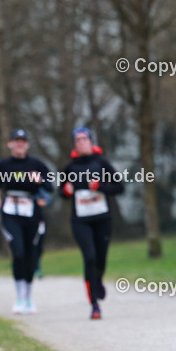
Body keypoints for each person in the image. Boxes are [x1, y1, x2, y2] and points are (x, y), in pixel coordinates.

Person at [61, 127, 125, 319]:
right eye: (78, 140)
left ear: (91, 141)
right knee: (89, 257)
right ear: (74, 144)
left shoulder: (101, 163)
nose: (81, 142)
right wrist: (66, 190)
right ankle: (94, 305)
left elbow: (119, 187)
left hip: (102, 219)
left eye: (84, 138)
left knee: (101, 259)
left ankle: (97, 280)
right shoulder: (70, 167)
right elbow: (61, 192)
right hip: (80, 221)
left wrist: (101, 187)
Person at [0, 129, 53, 314]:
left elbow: (50, 186)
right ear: (10, 143)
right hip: (10, 211)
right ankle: (19, 296)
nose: (20, 144)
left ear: (27, 144)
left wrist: (40, 181)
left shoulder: (37, 164)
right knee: (17, 252)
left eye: (23, 141)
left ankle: (28, 297)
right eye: (16, 141)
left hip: (31, 211)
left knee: (30, 255)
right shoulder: (3, 165)